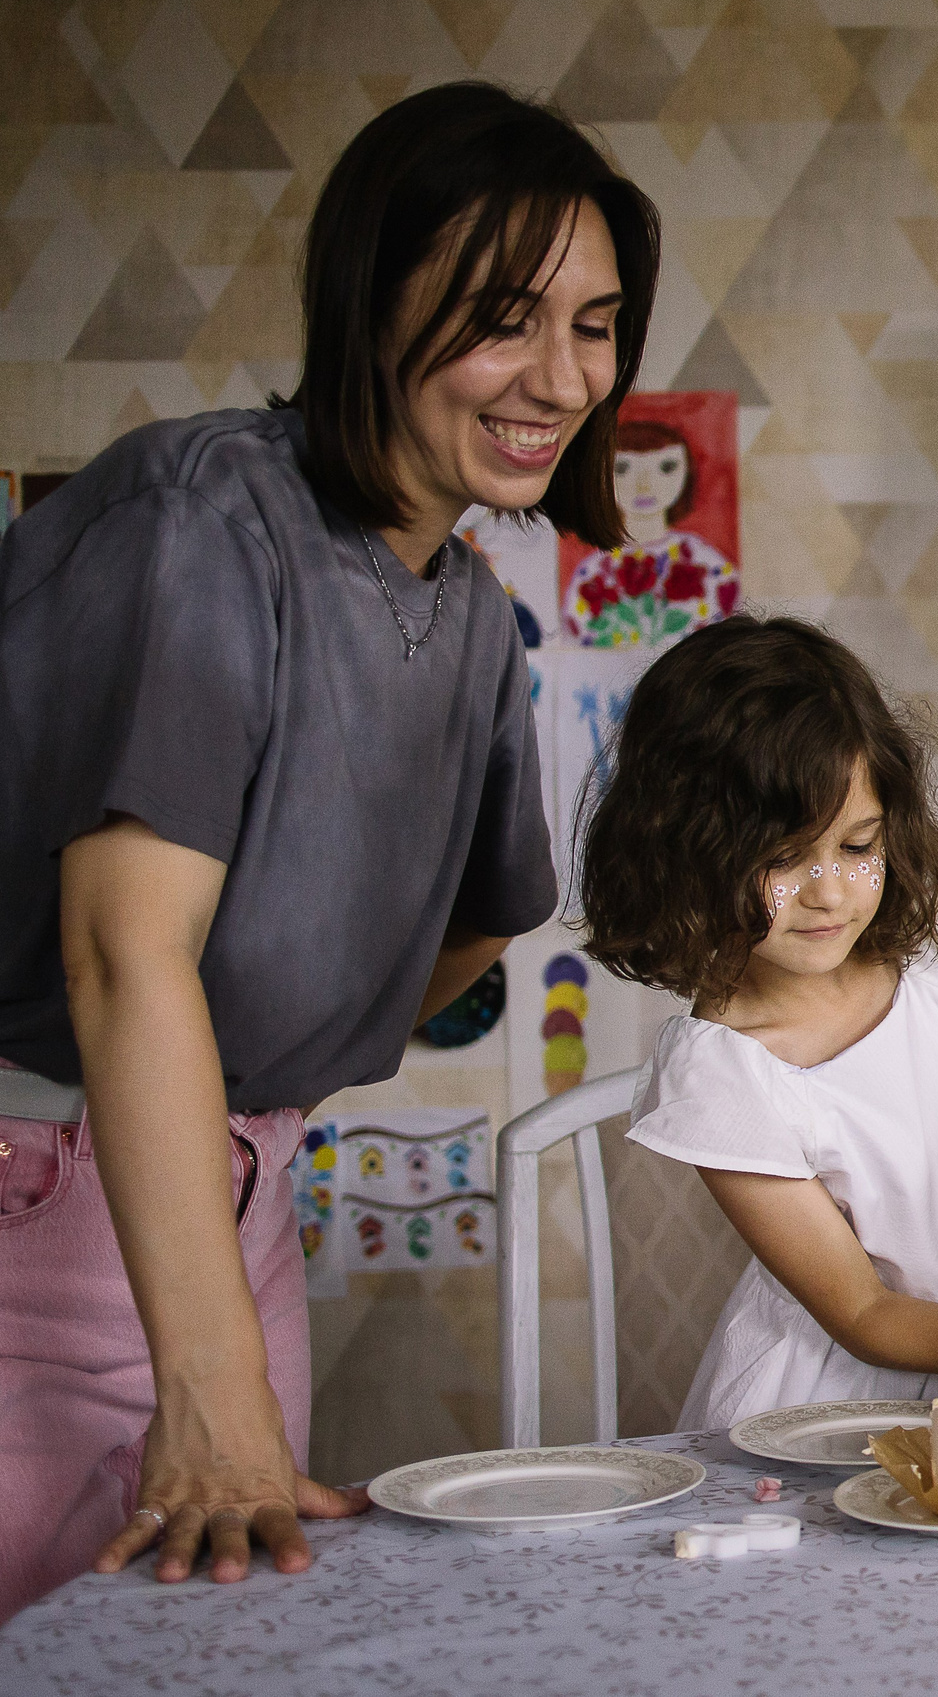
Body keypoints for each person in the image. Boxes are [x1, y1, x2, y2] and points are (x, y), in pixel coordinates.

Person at [0, 81, 659, 1616]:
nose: (561, 376)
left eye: (595, 326)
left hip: (228, 1203)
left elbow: (485, 919)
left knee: (209, 1642)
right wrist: (211, 1378)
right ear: (375, 301)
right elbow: (122, 952)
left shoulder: (473, 620)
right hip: (39, 1203)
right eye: (504, 318)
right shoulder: (202, 523)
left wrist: (276, 1067)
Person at [577, 615, 938, 1427]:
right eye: (783, 859)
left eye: (858, 845)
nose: (830, 891)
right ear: (686, 853)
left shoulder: (936, 932)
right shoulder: (722, 1074)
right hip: (828, 1408)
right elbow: (866, 1315)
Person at [561, 415, 739, 647]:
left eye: (666, 467)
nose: (644, 485)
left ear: (687, 473)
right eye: (622, 468)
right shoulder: (592, 575)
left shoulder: (708, 564)